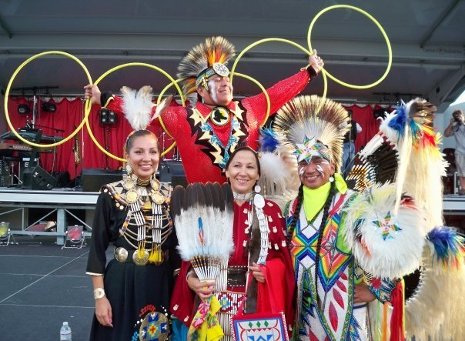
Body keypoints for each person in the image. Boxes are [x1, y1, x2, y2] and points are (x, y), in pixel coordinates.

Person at [271, 95, 439, 340]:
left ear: (331, 166)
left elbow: (394, 249)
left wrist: (375, 288)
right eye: (303, 162)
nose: (309, 168)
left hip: (346, 315)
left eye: (317, 160)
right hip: (301, 317)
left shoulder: (354, 203)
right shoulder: (288, 210)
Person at [84, 36, 324, 184]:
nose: (225, 83)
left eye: (227, 79)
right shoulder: (181, 118)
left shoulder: (250, 108)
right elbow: (143, 109)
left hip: (246, 205)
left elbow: (278, 92)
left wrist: (309, 72)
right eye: (217, 81)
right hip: (200, 208)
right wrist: (103, 98)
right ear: (200, 89)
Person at [169, 146, 295, 340]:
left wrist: (269, 271)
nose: (243, 172)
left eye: (250, 167)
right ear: (226, 171)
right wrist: (191, 281)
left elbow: (283, 263)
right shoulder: (208, 208)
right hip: (211, 301)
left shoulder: (270, 211)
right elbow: (190, 262)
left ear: (258, 175)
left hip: (253, 306)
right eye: (237, 166)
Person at [86, 87, 180, 341]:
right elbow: (96, 251)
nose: (146, 158)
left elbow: (177, 253)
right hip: (122, 282)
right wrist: (100, 298)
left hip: (160, 284)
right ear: (127, 156)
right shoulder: (111, 193)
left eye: (152, 151)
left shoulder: (172, 195)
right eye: (139, 152)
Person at [444, 109, 465, 195]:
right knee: (461, 172)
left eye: (458, 115)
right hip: (460, 151)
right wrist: (451, 124)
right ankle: (463, 189)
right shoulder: (455, 126)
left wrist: (463, 122)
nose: (457, 117)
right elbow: (446, 134)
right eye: (455, 116)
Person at [341, 109, 362, 174]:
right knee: (344, 161)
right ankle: (342, 177)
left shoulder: (354, 123)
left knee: (350, 161)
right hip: (345, 144)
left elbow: (360, 129)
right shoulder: (342, 123)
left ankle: (347, 177)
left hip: (352, 143)